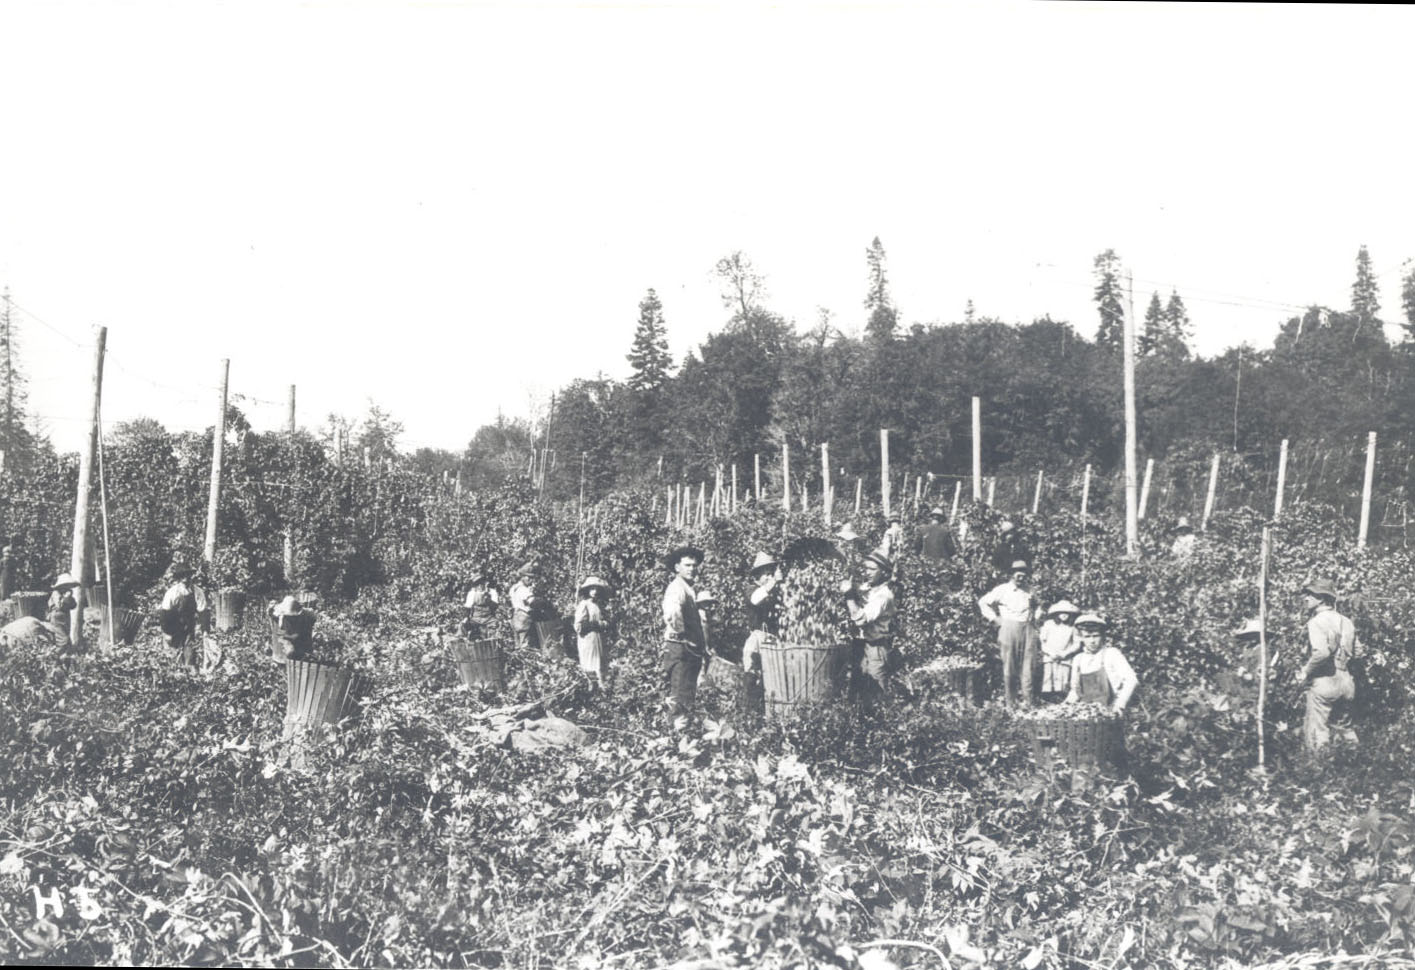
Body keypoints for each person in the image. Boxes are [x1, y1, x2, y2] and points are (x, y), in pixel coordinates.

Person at [1298, 578, 1357, 751]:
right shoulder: (1347, 622)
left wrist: (1305, 671)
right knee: (1345, 727)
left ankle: (1318, 769)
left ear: (1322, 598)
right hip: (1346, 681)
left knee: (1317, 730)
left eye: (1310, 595)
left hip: (1325, 681)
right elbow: (1359, 651)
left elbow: (1322, 652)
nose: (1306, 598)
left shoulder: (1316, 622)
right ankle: (1357, 764)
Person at [977, 560, 1041, 708]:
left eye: (1024, 574)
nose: (1021, 577)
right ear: (1011, 574)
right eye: (1018, 574)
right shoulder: (1002, 590)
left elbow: (1039, 606)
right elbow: (983, 602)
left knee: (1028, 667)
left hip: (1028, 628)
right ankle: (1010, 704)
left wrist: (1036, 618)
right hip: (1009, 627)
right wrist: (995, 619)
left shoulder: (1030, 590)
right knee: (1009, 667)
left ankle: (1029, 703)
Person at [843, 549, 898, 706]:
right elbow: (858, 590)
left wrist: (848, 595)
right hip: (859, 647)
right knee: (855, 693)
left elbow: (860, 619)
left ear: (884, 572)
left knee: (876, 696)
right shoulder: (867, 589)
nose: (867, 572)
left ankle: (881, 728)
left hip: (876, 649)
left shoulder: (884, 596)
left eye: (872, 569)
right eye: (866, 568)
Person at [662, 545, 707, 732]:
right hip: (680, 647)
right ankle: (673, 737)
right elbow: (672, 613)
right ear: (677, 568)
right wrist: (684, 635)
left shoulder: (688, 589)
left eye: (694, 565)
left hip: (688, 649)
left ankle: (683, 736)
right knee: (679, 693)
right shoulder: (676, 588)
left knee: (687, 693)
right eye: (687, 565)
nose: (692, 569)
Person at [1064, 613, 1138, 712]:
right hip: (1086, 711)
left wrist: (1120, 704)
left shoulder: (1112, 654)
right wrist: (1065, 706)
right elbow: (1075, 690)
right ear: (1081, 638)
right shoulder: (1078, 659)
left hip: (1111, 709)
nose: (1092, 641)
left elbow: (1131, 680)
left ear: (1102, 636)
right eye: (1087, 636)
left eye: (1095, 636)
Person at [573, 577, 614, 691]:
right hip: (587, 639)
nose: (594, 592)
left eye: (597, 589)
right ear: (587, 590)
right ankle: (591, 689)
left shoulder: (597, 605)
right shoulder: (584, 604)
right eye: (592, 589)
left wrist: (603, 624)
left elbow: (603, 622)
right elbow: (578, 626)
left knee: (599, 663)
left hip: (598, 638)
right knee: (590, 663)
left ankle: (601, 690)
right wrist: (595, 624)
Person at [1038, 599, 1081, 701]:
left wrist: (1065, 653)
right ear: (1056, 613)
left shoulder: (1073, 627)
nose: (1064, 615)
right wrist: (1050, 652)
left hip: (1065, 657)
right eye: (1061, 612)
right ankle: (1047, 697)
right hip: (1050, 655)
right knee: (1049, 676)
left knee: (1063, 677)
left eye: (1067, 613)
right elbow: (1042, 642)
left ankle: (1061, 696)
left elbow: (1077, 643)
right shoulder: (1049, 624)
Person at [158, 563, 200, 668]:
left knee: (189, 658)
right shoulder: (172, 593)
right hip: (172, 628)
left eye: (187, 575)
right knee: (172, 658)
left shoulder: (197, 592)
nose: (185, 579)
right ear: (179, 578)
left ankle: (190, 676)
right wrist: (167, 633)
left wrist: (203, 631)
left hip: (188, 628)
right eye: (183, 576)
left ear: (191, 576)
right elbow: (164, 615)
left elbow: (203, 611)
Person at [269, 595, 316, 661]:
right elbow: (273, 615)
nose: (290, 617)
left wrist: (284, 636)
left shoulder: (302, 618)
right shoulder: (284, 617)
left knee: (295, 655)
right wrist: (270, 610)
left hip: (302, 644)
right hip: (292, 642)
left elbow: (296, 636)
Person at [508, 563, 542, 653]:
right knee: (525, 645)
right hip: (524, 617)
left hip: (515, 617)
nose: (530, 581)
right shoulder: (523, 590)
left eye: (532, 578)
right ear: (522, 577)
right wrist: (539, 601)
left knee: (517, 645)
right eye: (529, 578)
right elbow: (532, 602)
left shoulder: (513, 588)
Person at [462, 571, 500, 638]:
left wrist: (488, 600)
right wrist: (466, 618)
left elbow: (495, 606)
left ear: (485, 583)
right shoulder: (472, 593)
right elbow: (468, 607)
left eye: (481, 583)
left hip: (489, 618)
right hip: (476, 618)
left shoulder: (492, 592)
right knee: (463, 627)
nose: (480, 586)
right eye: (477, 584)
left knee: (495, 632)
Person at [46, 573, 79, 641]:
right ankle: (56, 651)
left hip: (65, 617)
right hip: (57, 617)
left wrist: (69, 598)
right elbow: (59, 606)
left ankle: (67, 651)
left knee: (66, 636)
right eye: (66, 585)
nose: (68, 587)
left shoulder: (67, 594)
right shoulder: (56, 593)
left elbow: (74, 605)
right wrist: (66, 597)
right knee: (63, 639)